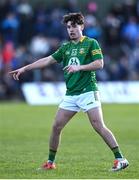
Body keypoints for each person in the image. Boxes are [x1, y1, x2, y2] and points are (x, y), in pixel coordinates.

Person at [9, 12, 129, 172]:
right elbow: (47, 60)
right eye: (68, 27)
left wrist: (80, 67)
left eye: (74, 26)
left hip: (88, 91)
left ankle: (120, 159)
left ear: (82, 26)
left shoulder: (91, 43)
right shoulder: (66, 47)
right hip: (71, 94)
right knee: (56, 127)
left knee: (98, 125)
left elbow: (99, 64)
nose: (71, 30)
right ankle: (50, 163)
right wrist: (25, 68)